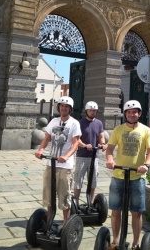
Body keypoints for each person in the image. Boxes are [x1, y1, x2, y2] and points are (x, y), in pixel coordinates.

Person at [106, 100, 150, 250]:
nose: (131, 114)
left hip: (137, 177)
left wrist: (146, 165)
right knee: (115, 210)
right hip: (118, 175)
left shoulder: (146, 130)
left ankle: (135, 243)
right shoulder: (118, 130)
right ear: (125, 114)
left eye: (134, 112)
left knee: (137, 212)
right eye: (128, 112)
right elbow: (109, 149)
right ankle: (115, 241)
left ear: (139, 113)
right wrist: (110, 160)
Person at [35, 96, 81, 226]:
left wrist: (66, 156)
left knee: (64, 195)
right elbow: (47, 137)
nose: (63, 108)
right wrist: (40, 150)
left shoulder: (74, 123)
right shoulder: (54, 121)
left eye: (66, 106)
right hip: (51, 163)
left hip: (65, 166)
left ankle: (66, 225)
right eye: (61, 106)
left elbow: (75, 143)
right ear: (59, 107)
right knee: (49, 194)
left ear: (70, 109)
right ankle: (50, 220)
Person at [73, 101, 107, 204]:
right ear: (86, 111)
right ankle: (76, 202)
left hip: (94, 156)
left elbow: (101, 136)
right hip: (82, 156)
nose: (92, 112)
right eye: (90, 110)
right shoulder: (80, 123)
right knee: (78, 180)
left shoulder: (99, 123)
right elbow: (76, 139)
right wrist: (84, 145)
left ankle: (90, 203)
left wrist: (103, 144)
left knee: (93, 181)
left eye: (94, 111)